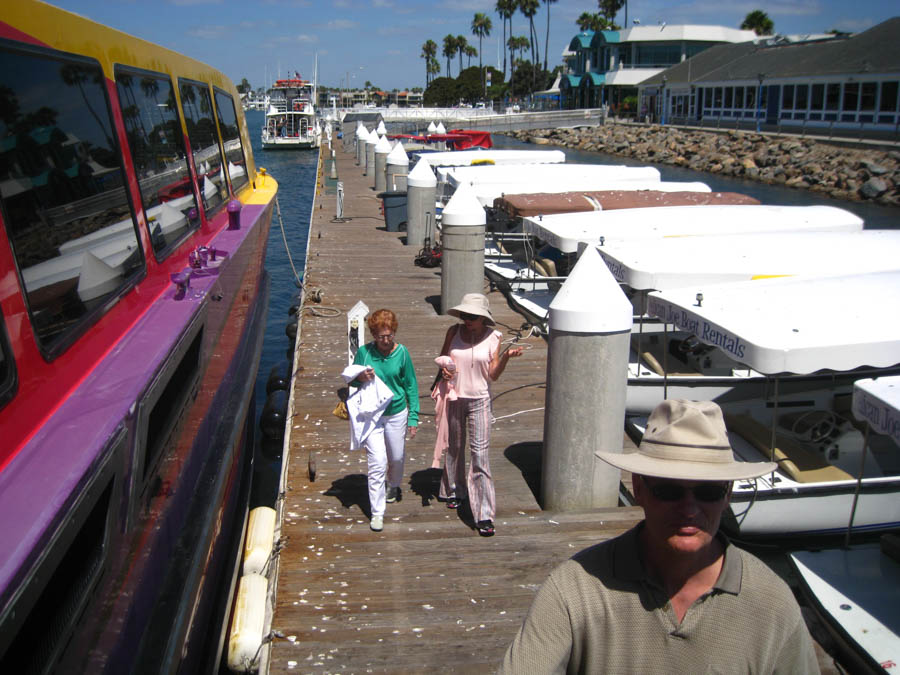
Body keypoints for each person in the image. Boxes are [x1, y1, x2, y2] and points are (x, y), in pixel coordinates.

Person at [500, 399, 820, 674]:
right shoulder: (574, 589)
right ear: (639, 488)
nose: (690, 510)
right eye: (669, 490)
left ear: (727, 495)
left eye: (708, 491)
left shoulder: (773, 604)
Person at [438, 293, 522, 537]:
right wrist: (444, 372)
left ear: (484, 318)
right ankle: (454, 490)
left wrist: (506, 357)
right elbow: (443, 359)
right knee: (454, 446)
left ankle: (484, 513)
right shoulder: (453, 332)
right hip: (454, 397)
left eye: (472, 317)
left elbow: (493, 375)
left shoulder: (495, 337)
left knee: (480, 455)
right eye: (465, 315)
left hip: (480, 400)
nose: (467, 320)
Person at [351, 309, 418, 532]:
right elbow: (351, 384)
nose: (386, 340)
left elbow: (410, 385)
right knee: (377, 462)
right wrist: (360, 377)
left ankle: (394, 485)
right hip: (372, 416)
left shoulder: (403, 353)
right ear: (373, 334)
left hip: (397, 412)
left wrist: (414, 416)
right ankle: (377, 512)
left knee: (396, 457)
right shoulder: (364, 353)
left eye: (389, 335)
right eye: (381, 336)